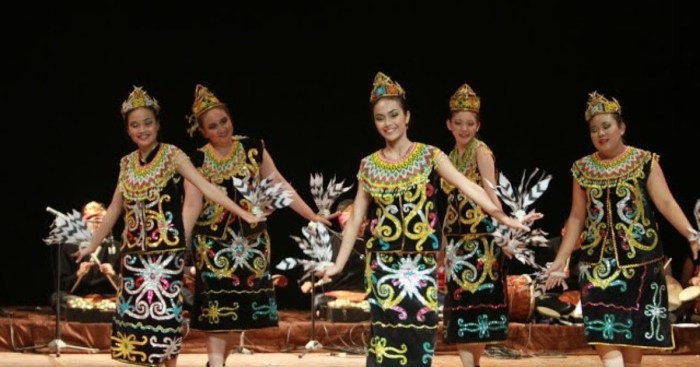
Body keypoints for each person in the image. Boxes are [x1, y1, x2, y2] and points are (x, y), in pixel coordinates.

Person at [317, 72, 530, 367]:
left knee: (419, 340)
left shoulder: (429, 155)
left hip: (420, 266)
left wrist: (503, 217)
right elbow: (356, 220)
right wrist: (338, 265)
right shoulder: (368, 164)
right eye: (380, 118)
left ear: (407, 117)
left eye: (394, 115)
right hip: (383, 267)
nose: (388, 123)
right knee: (385, 342)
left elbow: (468, 186)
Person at [74, 86, 263, 367]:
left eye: (148, 123)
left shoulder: (172, 155)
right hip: (135, 256)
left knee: (165, 322)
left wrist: (244, 214)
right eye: (135, 125)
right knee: (139, 325)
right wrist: (92, 244)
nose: (142, 129)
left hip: (167, 253)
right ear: (128, 131)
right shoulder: (126, 164)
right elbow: (115, 207)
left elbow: (205, 188)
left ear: (158, 125)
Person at [181, 84, 334, 367]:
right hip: (211, 245)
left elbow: (280, 184)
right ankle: (216, 364)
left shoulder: (253, 148)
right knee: (218, 309)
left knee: (239, 312)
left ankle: (217, 363)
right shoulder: (196, 160)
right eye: (213, 126)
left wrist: (312, 216)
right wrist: (181, 244)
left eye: (224, 121)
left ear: (231, 119)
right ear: (203, 131)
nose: (221, 129)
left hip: (252, 244)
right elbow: (191, 206)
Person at [545, 91, 700, 367]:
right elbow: (577, 218)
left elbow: (665, 202)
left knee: (633, 347)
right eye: (594, 129)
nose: (600, 133)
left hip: (640, 267)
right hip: (596, 267)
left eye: (606, 126)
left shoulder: (644, 162)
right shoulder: (583, 168)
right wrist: (560, 261)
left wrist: (691, 235)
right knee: (606, 341)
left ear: (622, 127)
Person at [439, 83, 511, 367]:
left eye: (470, 124)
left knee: (476, 307)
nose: (464, 129)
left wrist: (505, 236)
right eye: (458, 123)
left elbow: (493, 197)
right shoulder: (450, 157)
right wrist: (443, 247)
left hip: (482, 242)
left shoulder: (482, 152)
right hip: (458, 244)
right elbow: (449, 207)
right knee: (459, 307)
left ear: (478, 124)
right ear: (449, 124)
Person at [299, 199, 367, 314]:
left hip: (363, 300)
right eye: (360, 220)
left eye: (365, 220)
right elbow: (309, 275)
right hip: (333, 300)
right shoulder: (327, 244)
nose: (364, 224)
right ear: (344, 221)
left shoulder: (370, 246)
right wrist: (308, 282)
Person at [56, 201, 119, 297]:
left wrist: (113, 275)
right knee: (57, 297)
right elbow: (62, 285)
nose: (98, 224)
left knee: (127, 300)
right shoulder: (70, 247)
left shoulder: (117, 247)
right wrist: (78, 274)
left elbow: (128, 285)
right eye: (92, 219)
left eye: (102, 220)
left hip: (107, 295)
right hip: (78, 295)